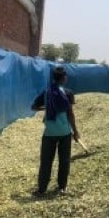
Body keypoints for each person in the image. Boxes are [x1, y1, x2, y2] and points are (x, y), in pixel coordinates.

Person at [31, 66, 80, 197]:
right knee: (64, 161)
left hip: (49, 133)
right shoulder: (68, 93)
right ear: (63, 78)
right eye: (66, 76)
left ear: (54, 78)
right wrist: (75, 131)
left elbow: (33, 107)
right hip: (65, 132)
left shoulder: (47, 92)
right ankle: (62, 187)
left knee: (46, 161)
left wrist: (46, 107)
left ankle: (41, 189)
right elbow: (70, 114)